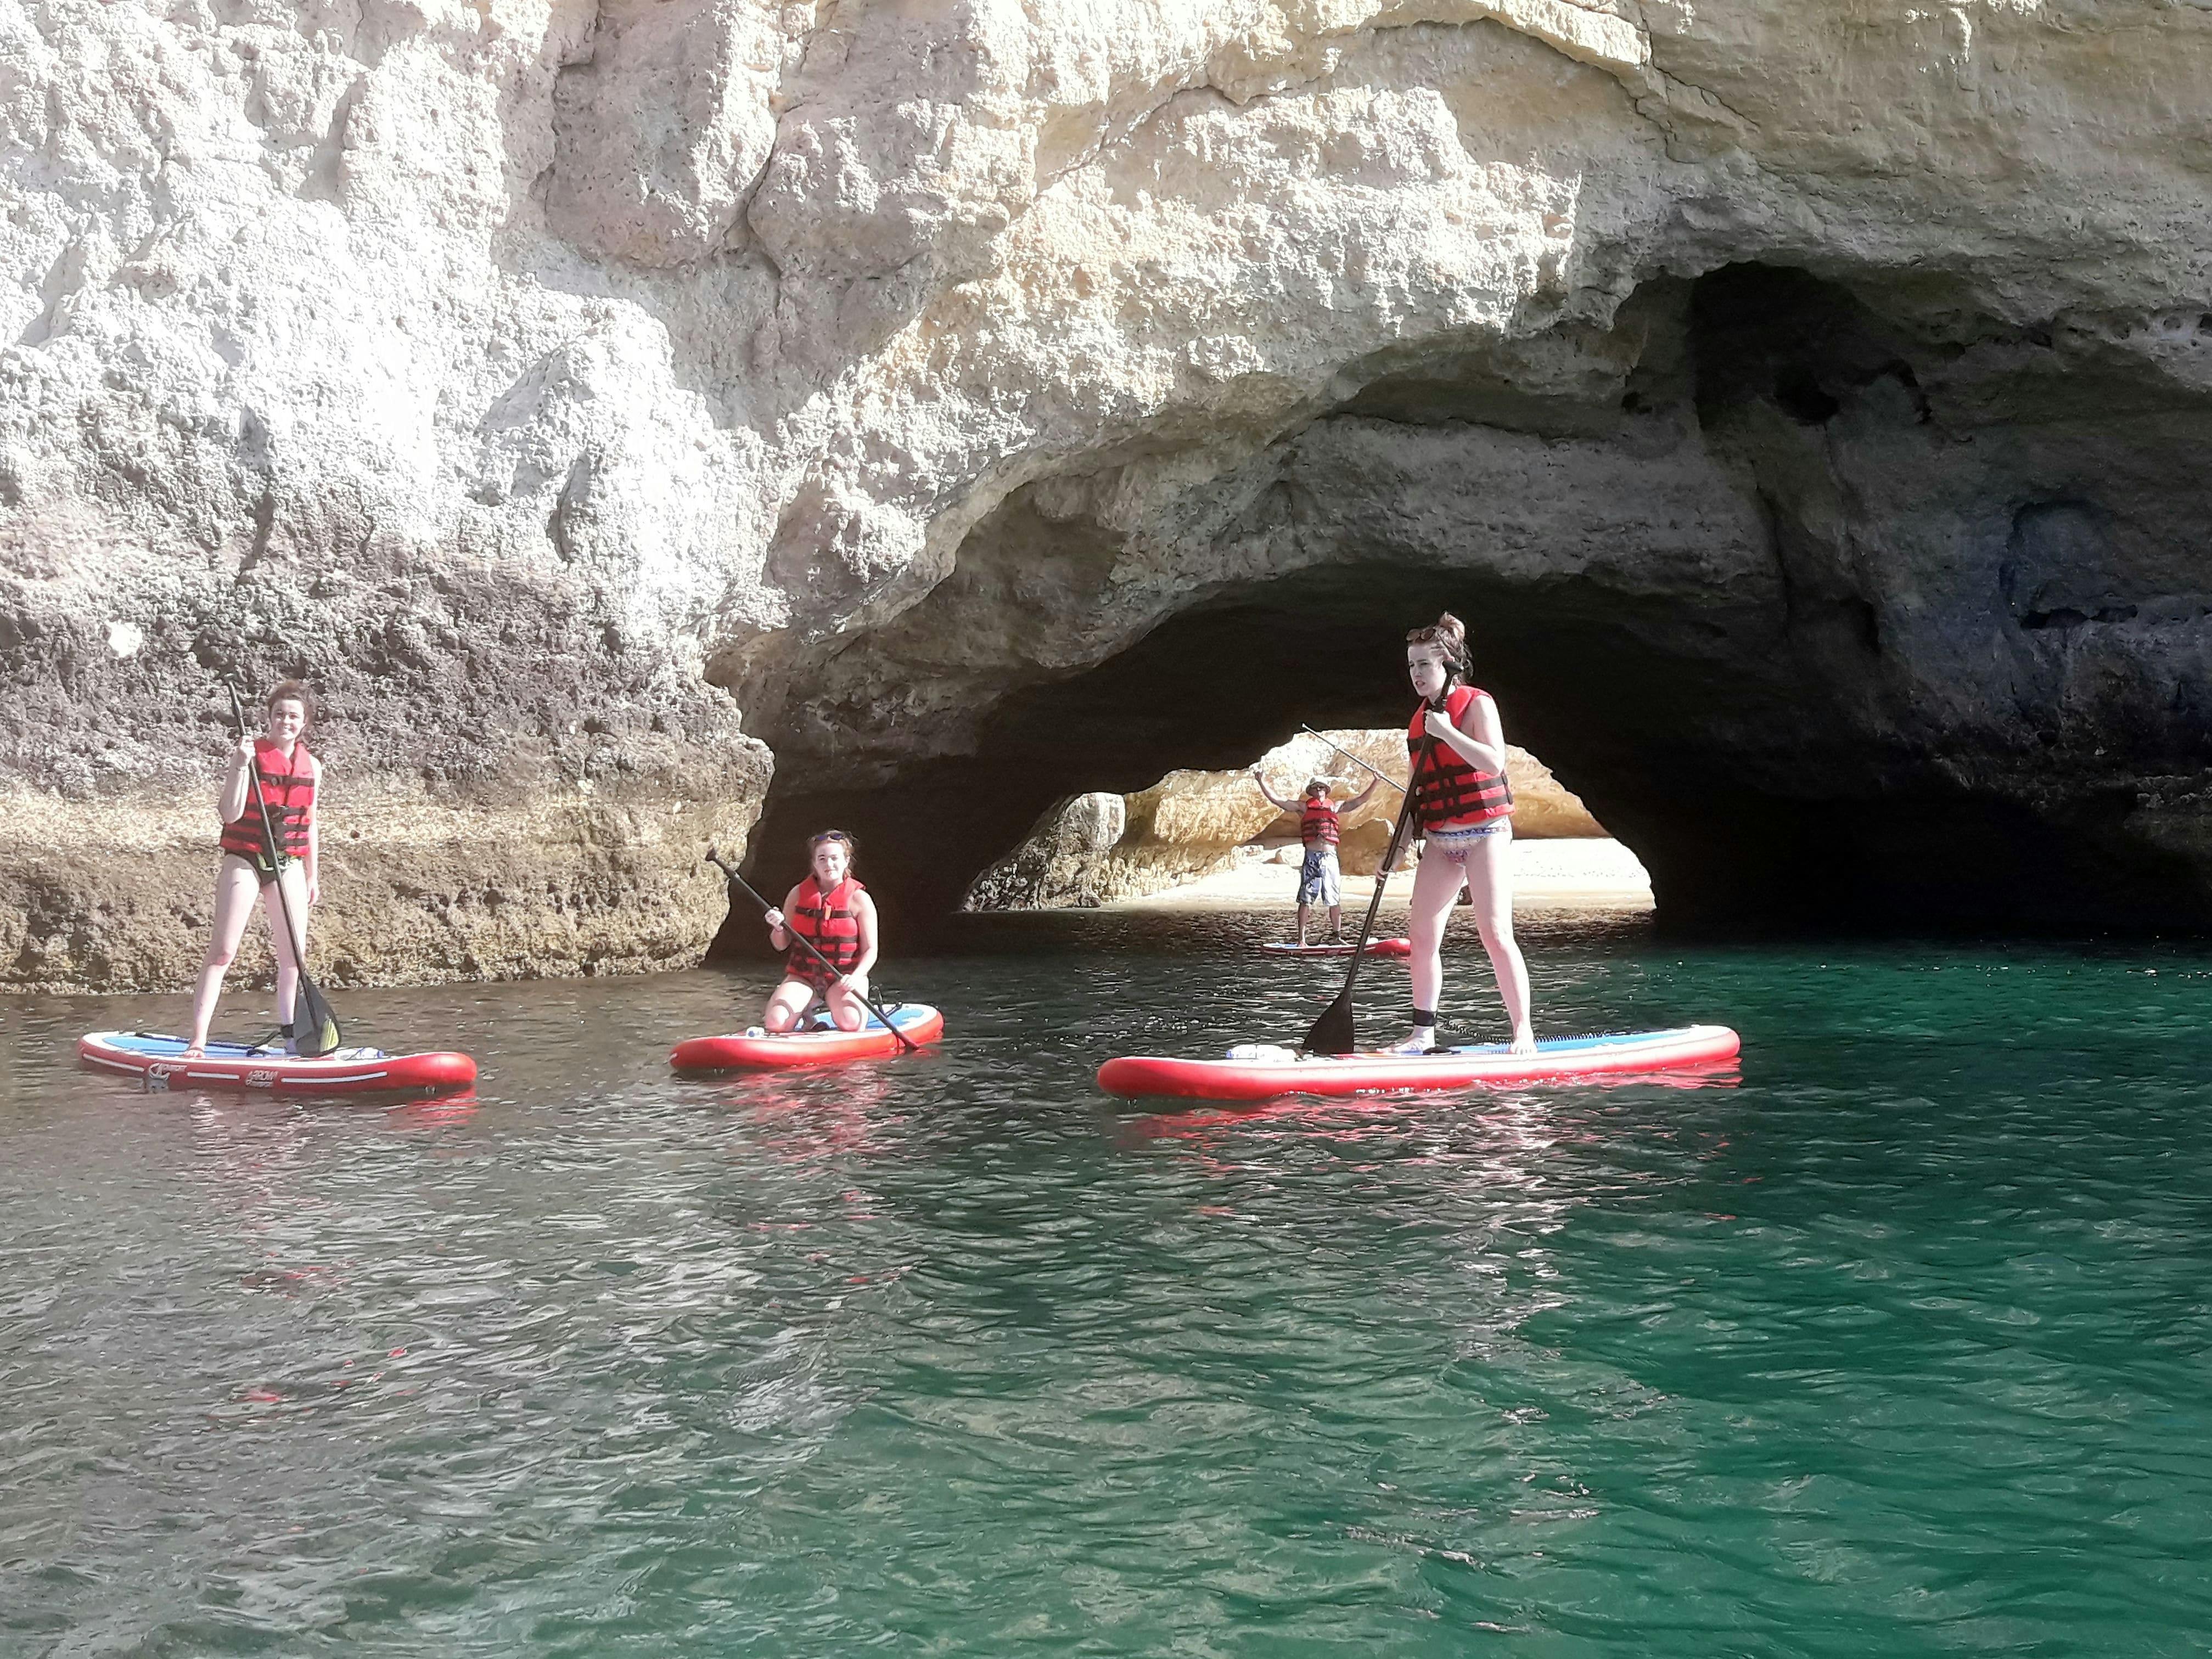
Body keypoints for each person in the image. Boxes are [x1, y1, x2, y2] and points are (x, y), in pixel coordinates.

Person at [1397, 614, 1535, 1055]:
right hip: (1440, 838)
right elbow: (1416, 792)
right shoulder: (1418, 721)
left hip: (1486, 832)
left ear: (1449, 665)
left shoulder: (1478, 705)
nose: (1417, 674)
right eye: (1412, 665)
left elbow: (1494, 763)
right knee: (1421, 937)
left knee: (1495, 932)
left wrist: (1450, 732)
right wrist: (1398, 846)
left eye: (1425, 664)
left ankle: (1522, 1032)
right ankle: (1423, 1034)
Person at [183, 681, 321, 1056]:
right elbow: (228, 812)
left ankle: (291, 1036)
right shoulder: (250, 755)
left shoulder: (313, 766)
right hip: (245, 858)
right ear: (269, 717)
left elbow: (309, 823)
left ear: (304, 721)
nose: (285, 721)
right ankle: (198, 1041)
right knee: (224, 951)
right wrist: (239, 765)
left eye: (293, 716)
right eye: (279, 714)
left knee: (294, 956)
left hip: (288, 861)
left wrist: (313, 875)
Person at [761, 830, 880, 1033]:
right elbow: (781, 945)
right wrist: (778, 927)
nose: (829, 865)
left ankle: (837, 1006)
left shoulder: (860, 899)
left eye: (834, 858)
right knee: (775, 1024)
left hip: (844, 976)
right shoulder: (798, 894)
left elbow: (871, 950)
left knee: (851, 1023)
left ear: (846, 861)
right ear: (814, 864)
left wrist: (857, 977)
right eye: (822, 859)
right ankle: (808, 1017)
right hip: (805, 976)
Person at [1253, 767, 1380, 944]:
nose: (1319, 790)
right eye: (1316, 787)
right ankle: (1302, 940)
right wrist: (1261, 782)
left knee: (1334, 899)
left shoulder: (1335, 806)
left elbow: (1360, 801)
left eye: (1322, 787)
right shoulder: (1303, 807)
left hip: (1330, 858)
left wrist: (1376, 782)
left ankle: (1336, 936)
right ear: (1311, 791)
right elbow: (1278, 801)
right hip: (1312, 857)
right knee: (1306, 899)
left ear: (1326, 790)